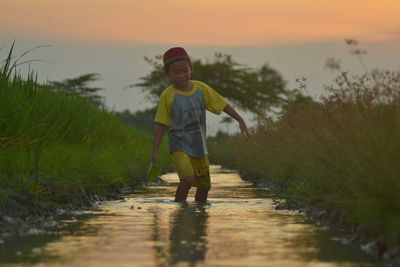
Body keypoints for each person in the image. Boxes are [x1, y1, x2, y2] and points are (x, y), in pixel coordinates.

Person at [150, 47, 250, 202]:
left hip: (199, 146)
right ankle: (180, 213)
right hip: (179, 146)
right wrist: (155, 151)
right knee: (188, 179)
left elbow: (221, 104)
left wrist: (240, 119)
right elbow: (160, 123)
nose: (181, 75)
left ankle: (200, 215)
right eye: (176, 73)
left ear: (191, 69)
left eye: (185, 70)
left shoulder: (201, 89)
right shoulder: (167, 96)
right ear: (168, 75)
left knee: (204, 187)